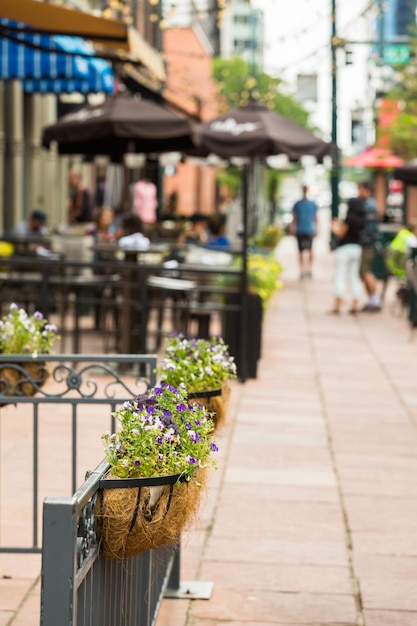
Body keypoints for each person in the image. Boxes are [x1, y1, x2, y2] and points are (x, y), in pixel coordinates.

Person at [329, 197, 366, 315]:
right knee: (353, 276)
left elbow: (341, 234)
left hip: (344, 249)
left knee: (340, 275)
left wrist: (333, 227)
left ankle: (338, 303)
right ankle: (355, 303)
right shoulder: (362, 219)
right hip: (357, 249)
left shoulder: (349, 218)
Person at [358, 180, 381, 312]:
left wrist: (363, 243)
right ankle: (372, 300)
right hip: (367, 244)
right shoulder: (369, 204)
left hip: (367, 244)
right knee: (363, 272)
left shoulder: (369, 206)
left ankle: (375, 300)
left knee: (366, 271)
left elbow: (369, 228)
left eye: (360, 189)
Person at [291, 185, 318, 279]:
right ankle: (302, 270)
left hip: (308, 229)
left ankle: (309, 270)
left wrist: (316, 228)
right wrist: (293, 228)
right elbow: (294, 217)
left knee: (309, 250)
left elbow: (315, 217)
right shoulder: (298, 204)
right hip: (301, 229)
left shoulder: (312, 204)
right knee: (301, 251)